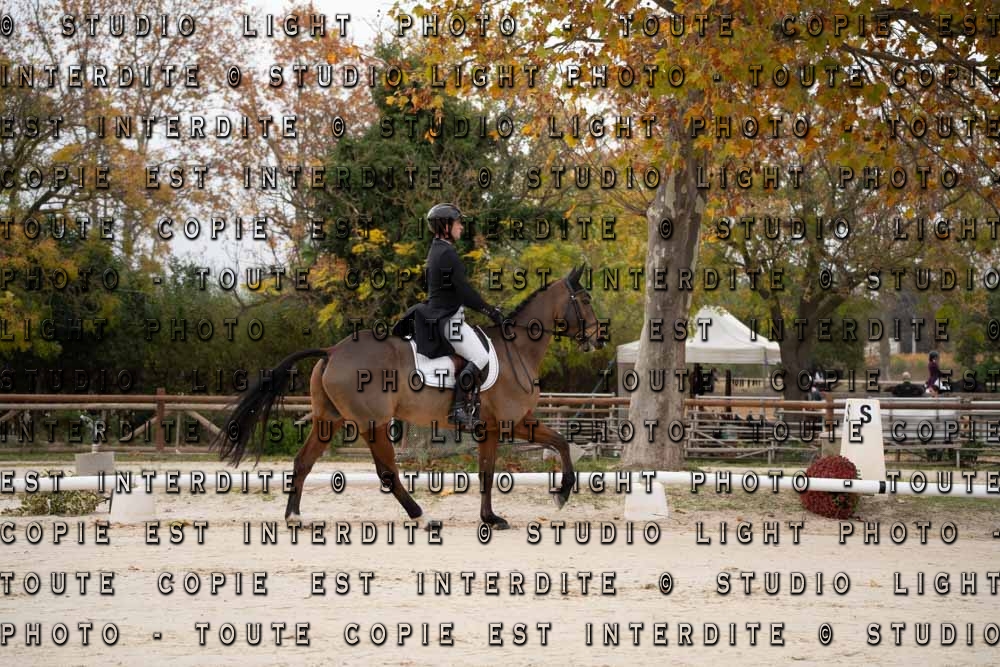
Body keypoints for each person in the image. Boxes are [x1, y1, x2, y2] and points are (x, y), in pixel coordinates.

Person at [392, 203, 505, 428]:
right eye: (458, 223)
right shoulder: (447, 253)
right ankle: (459, 409)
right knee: (481, 357)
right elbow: (464, 292)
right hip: (448, 320)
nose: (461, 227)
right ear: (446, 226)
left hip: (439, 314)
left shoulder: (436, 250)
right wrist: (491, 312)